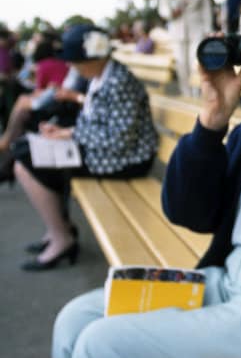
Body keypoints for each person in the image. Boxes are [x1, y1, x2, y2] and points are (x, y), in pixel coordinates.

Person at [52, 0, 241, 358]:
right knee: (74, 318)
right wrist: (211, 122)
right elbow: (188, 212)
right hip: (224, 282)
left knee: (100, 343)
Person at [14, 25, 158, 271]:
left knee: (27, 162)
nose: (72, 66)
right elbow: (97, 122)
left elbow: (119, 139)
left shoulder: (119, 81)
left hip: (126, 160)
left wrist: (70, 136)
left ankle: (62, 237)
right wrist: (64, 133)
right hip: (110, 152)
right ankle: (58, 229)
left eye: (76, 61)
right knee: (25, 151)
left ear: (93, 57)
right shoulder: (103, 75)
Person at [160, 0, 212, 96]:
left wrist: (208, 31)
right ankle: (186, 95)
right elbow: (163, 7)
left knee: (196, 63)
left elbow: (206, 8)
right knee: (181, 65)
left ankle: (197, 95)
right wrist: (170, 13)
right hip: (177, 30)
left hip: (197, 29)